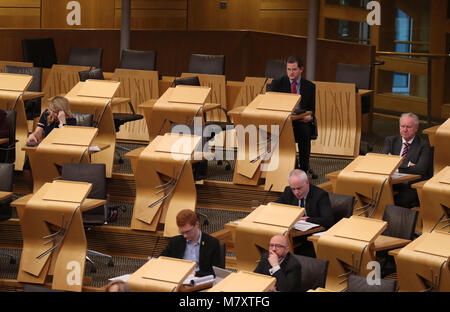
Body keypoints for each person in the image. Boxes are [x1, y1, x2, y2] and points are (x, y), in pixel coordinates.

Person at [268, 56, 316, 175]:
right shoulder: (277, 84)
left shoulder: (310, 86)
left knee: (305, 131)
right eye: (288, 69)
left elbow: (312, 110)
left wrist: (310, 117)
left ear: (301, 69)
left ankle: (304, 169)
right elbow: (272, 106)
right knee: (282, 132)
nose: (291, 72)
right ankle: (292, 166)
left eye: (294, 69)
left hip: (301, 121)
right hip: (284, 122)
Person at [382, 112, 431, 208]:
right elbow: (384, 163)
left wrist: (395, 164)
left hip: (411, 185)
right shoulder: (390, 141)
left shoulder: (423, 145)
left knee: (400, 200)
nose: (404, 130)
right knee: (374, 191)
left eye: (408, 127)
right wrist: (407, 164)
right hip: (391, 181)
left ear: (416, 128)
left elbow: (420, 170)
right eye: (402, 126)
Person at [160, 209, 221, 277]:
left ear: (197, 224)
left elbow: (217, 273)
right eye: (182, 232)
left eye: (187, 232)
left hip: (201, 280)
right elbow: (161, 261)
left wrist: (196, 274)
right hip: (178, 277)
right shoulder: (175, 242)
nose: (185, 236)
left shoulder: (212, 243)